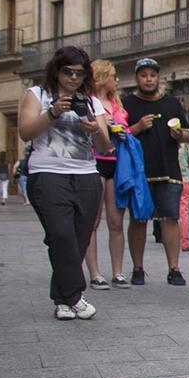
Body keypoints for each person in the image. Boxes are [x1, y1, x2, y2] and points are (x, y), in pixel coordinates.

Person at [17, 45, 112, 320]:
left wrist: (95, 128)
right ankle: (75, 295)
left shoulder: (91, 102)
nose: (73, 78)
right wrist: (53, 113)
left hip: (86, 175)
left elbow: (105, 147)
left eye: (79, 74)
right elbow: (25, 132)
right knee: (60, 234)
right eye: (67, 71)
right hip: (46, 174)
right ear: (56, 71)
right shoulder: (37, 95)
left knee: (78, 240)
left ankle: (62, 300)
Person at [123, 57, 189, 286]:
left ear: (158, 77)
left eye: (152, 75)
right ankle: (137, 268)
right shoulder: (127, 104)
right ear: (137, 78)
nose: (148, 79)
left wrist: (180, 135)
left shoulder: (172, 103)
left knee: (170, 218)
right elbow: (118, 134)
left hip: (168, 171)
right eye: (144, 75)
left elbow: (188, 134)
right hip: (139, 173)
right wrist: (137, 127)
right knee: (138, 220)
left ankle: (174, 269)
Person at [82, 60, 131, 289]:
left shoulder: (117, 103)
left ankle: (118, 271)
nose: (117, 79)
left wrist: (123, 131)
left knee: (116, 221)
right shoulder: (87, 102)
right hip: (94, 161)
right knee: (92, 221)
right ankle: (94, 272)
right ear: (102, 77)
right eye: (113, 75)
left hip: (117, 162)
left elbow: (127, 130)